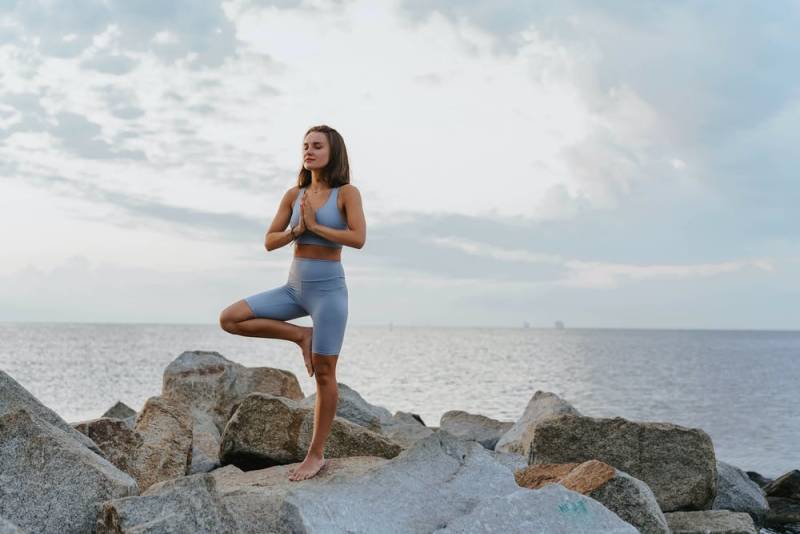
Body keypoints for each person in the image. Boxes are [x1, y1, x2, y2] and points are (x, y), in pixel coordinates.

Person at [219, 125, 366, 481]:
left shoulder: (346, 193)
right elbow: (269, 241)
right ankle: (300, 336)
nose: (309, 151)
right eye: (305, 146)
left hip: (329, 294)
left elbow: (358, 238)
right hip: (293, 289)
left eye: (317, 146)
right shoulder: (294, 194)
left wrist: (316, 225)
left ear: (333, 152)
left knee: (326, 374)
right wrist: (296, 232)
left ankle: (315, 455)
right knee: (231, 318)